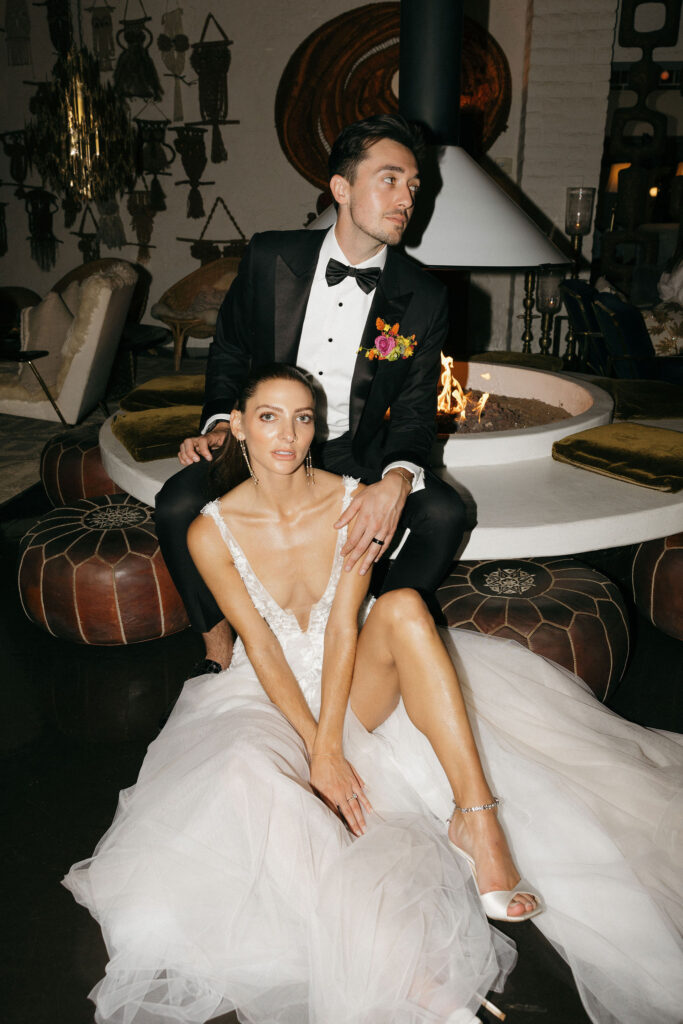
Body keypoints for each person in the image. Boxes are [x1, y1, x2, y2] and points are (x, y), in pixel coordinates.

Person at [64, 365, 683, 1024]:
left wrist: (331, 745)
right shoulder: (210, 530)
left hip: (350, 670)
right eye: (269, 416)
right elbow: (264, 648)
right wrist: (312, 748)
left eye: (303, 417)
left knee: (406, 608)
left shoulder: (349, 501)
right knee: (250, 775)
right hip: (264, 693)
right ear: (236, 427)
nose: (289, 434)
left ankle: (477, 819)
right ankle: (398, 969)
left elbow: (339, 627)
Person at [155, 114, 466, 677]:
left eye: (414, 186)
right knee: (176, 504)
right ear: (341, 189)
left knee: (443, 514)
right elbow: (229, 349)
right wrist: (223, 422)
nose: (407, 199)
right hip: (264, 440)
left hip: (353, 450)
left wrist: (395, 480)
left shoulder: (424, 296)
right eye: (390, 180)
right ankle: (218, 639)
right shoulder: (271, 256)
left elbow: (418, 410)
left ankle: (375, 634)